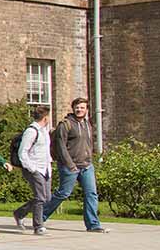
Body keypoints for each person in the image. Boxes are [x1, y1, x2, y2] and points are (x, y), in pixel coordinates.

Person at [44, 98, 108, 233]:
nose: (79, 110)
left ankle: (93, 225)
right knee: (63, 193)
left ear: (87, 109)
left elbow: (89, 143)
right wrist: (70, 165)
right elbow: (61, 147)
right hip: (70, 166)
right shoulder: (65, 124)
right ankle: (40, 217)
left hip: (87, 165)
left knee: (91, 194)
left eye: (82, 108)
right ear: (73, 109)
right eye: (77, 107)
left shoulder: (87, 124)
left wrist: (91, 158)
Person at [14, 105, 52, 235]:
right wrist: (32, 168)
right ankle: (38, 226)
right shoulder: (31, 131)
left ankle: (20, 213)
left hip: (45, 168)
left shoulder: (44, 131)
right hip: (35, 168)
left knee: (46, 197)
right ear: (46, 118)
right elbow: (22, 152)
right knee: (40, 197)